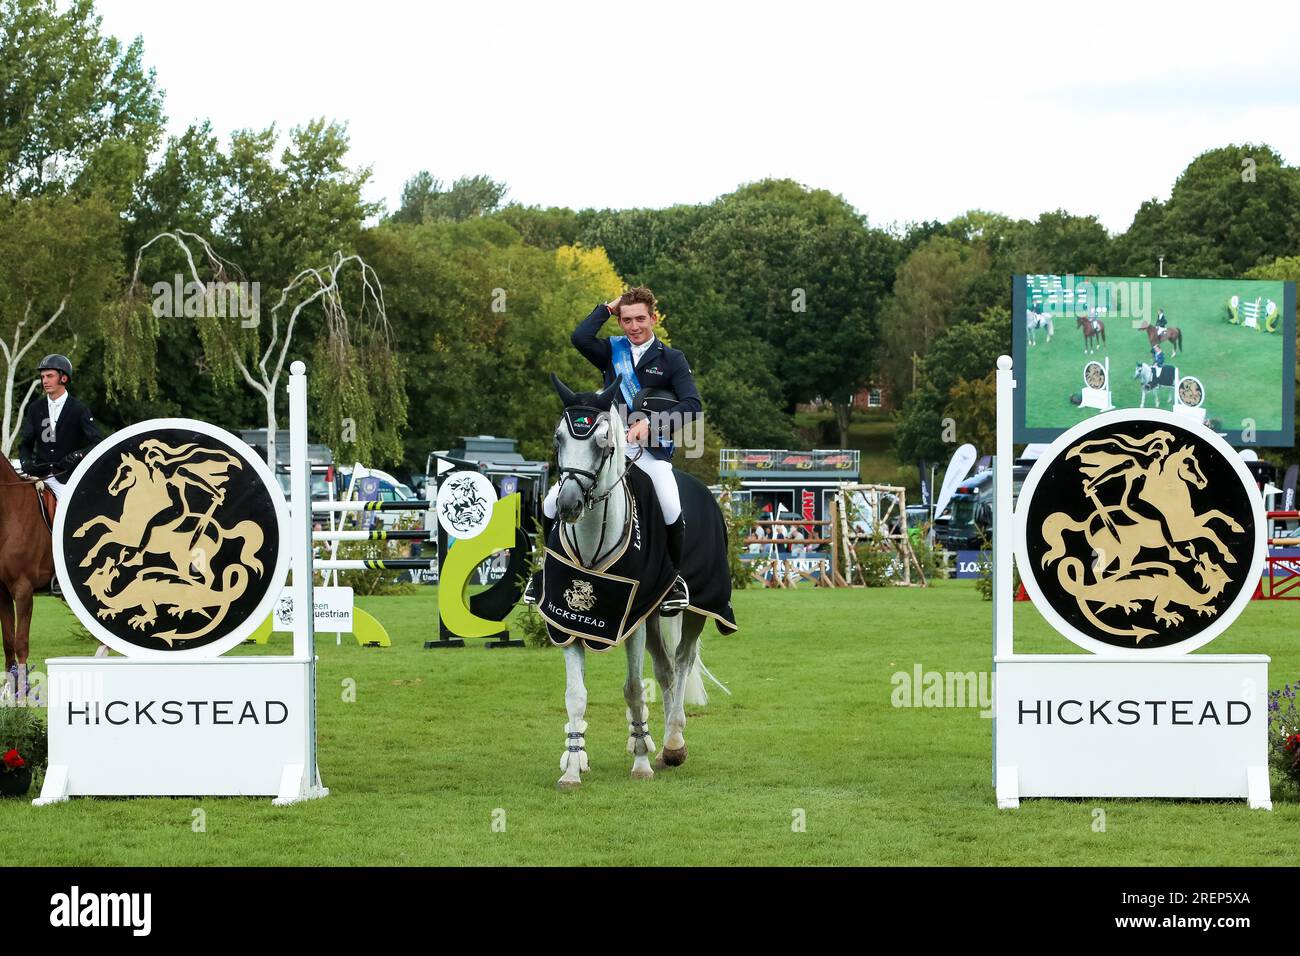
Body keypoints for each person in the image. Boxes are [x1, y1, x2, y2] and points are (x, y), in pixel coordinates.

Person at [525, 287, 702, 615]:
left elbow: (693, 406)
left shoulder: (671, 359)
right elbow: (579, 337)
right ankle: (543, 571)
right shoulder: (611, 350)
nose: (634, 327)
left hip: (650, 451)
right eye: (626, 320)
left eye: (640, 319)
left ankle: (673, 581)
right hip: (607, 448)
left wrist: (652, 424)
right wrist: (607, 308)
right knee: (553, 501)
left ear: (653, 318)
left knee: (669, 505)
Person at [18, 354, 102, 502]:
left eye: (49, 376)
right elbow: (26, 443)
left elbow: (97, 443)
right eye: (43, 377)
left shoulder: (79, 409)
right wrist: (26, 463)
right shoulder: (36, 408)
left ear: (63, 378)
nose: (45, 381)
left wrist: (78, 455)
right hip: (40, 475)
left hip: (66, 477)